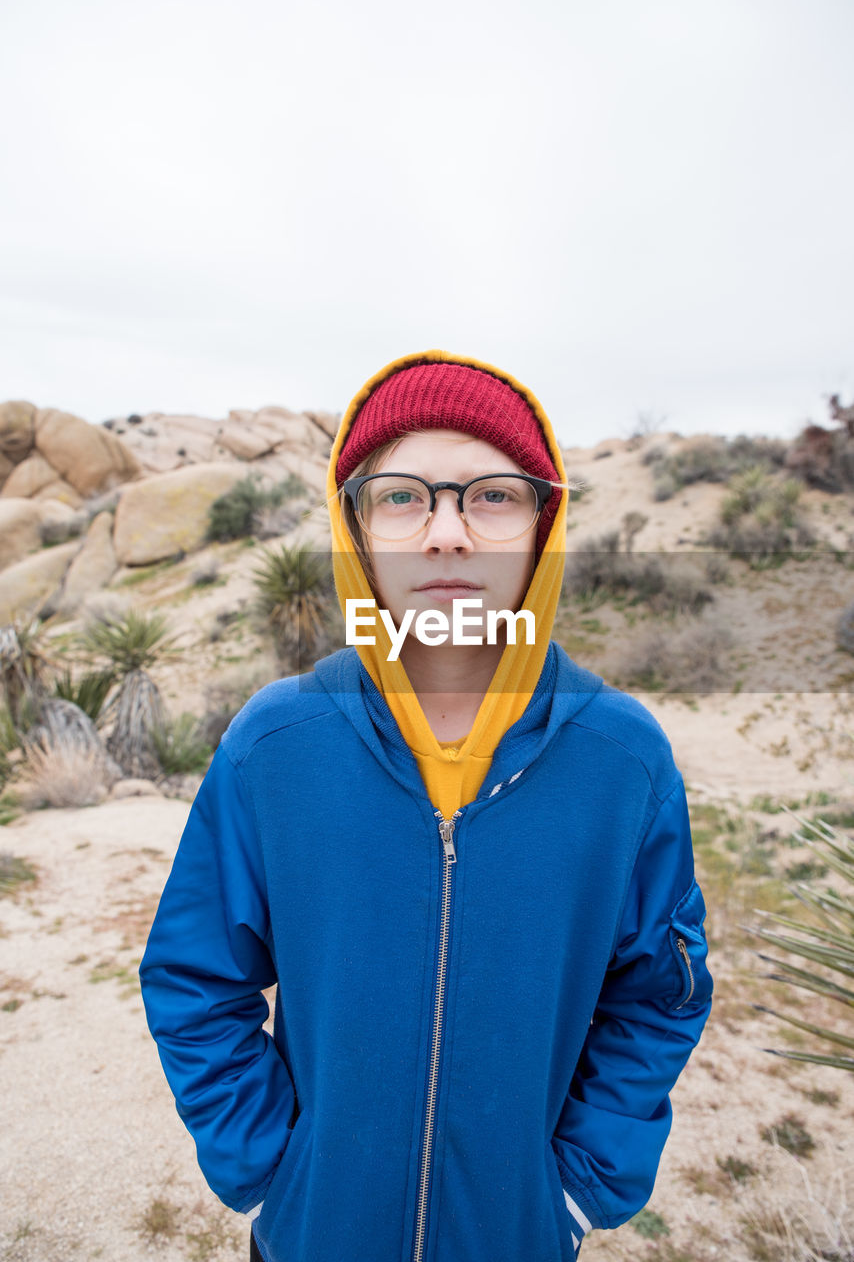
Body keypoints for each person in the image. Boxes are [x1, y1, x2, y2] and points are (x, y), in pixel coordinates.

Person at [140, 350, 713, 1262]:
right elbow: (195, 978)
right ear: (355, 527)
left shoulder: (622, 758)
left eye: (492, 494)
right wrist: (270, 1169)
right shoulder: (274, 745)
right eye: (402, 496)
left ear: (543, 523)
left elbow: (659, 995)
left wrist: (573, 1189)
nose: (447, 533)